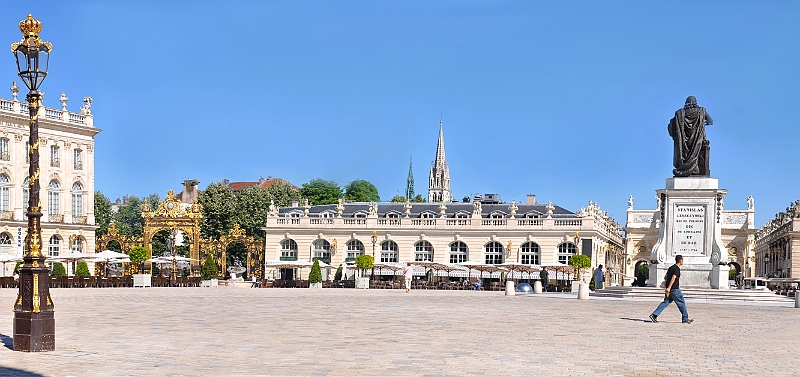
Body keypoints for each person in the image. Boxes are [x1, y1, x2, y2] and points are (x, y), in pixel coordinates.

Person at [650, 255, 693, 324]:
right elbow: (673, 278)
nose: (683, 261)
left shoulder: (671, 268)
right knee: (682, 303)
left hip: (669, 290)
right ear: (680, 260)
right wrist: (669, 287)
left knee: (665, 302)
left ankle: (654, 315)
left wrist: (668, 287)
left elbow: (665, 277)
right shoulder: (677, 269)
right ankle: (685, 319)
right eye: (682, 260)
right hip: (674, 289)